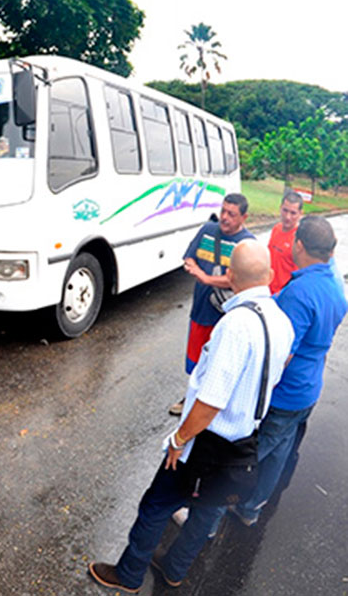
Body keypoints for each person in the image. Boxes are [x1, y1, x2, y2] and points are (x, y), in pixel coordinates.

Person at [88, 240, 294, 593]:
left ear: (229, 276)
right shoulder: (282, 322)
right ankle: (174, 569)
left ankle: (129, 574)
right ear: (271, 275)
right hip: (243, 442)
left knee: (156, 505)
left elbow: (210, 401)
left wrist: (178, 441)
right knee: (207, 511)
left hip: (205, 444)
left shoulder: (235, 326)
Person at [230, 216, 347, 526]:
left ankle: (212, 515)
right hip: (309, 388)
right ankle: (252, 508)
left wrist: (256, 388)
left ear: (299, 245)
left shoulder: (301, 292)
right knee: (279, 452)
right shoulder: (335, 283)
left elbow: (284, 352)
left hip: (286, 391)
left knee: (249, 454)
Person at [169, 193, 256, 416]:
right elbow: (190, 256)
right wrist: (191, 266)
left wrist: (206, 278)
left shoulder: (247, 244)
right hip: (200, 310)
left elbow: (235, 279)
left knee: (220, 362)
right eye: (223, 211)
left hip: (226, 316)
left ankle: (211, 407)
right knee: (196, 360)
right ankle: (191, 397)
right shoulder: (208, 230)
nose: (224, 217)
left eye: (231, 214)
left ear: (244, 217)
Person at [267, 190, 303, 294]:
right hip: (268, 291)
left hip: (283, 295)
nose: (288, 217)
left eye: (293, 213)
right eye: (285, 210)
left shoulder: (299, 240)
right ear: (280, 208)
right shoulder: (276, 229)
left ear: (300, 213)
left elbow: (299, 276)